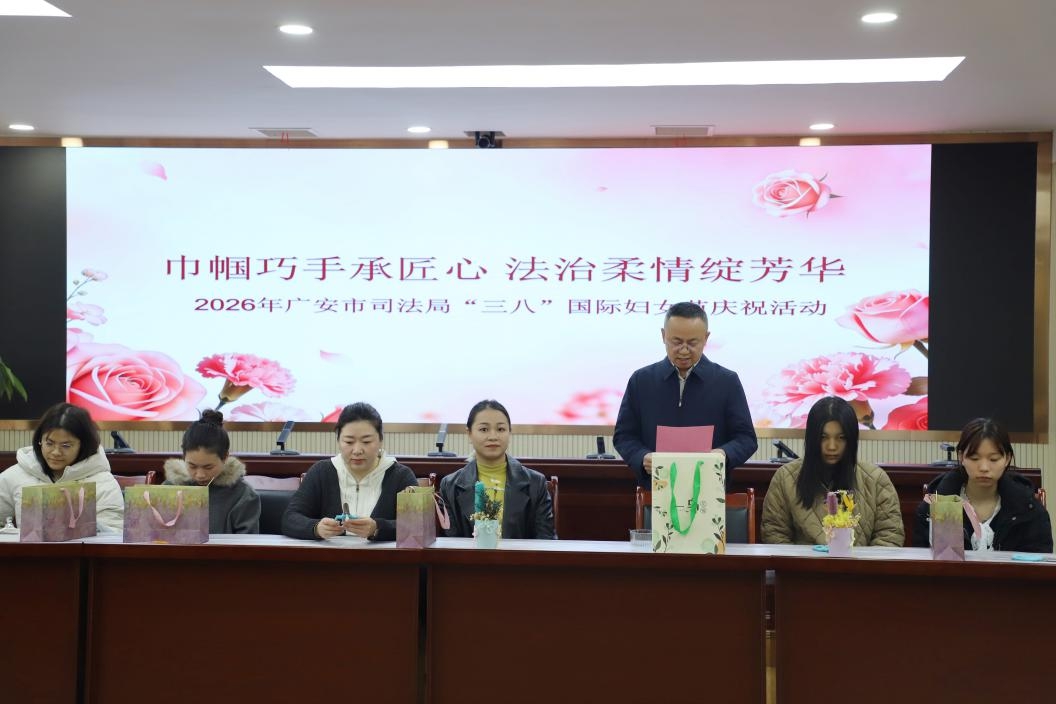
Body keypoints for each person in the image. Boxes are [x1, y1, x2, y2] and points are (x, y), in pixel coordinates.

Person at [614, 301, 757, 489]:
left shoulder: (726, 381)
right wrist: (642, 457)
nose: (683, 350)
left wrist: (723, 454)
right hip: (655, 490)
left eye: (692, 343)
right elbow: (624, 436)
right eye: (676, 342)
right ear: (663, 335)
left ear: (706, 338)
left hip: (709, 490)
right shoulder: (641, 380)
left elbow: (746, 439)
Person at [761, 396, 903, 546]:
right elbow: (774, 534)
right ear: (812, 439)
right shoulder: (785, 478)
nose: (832, 446)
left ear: (851, 439)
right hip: (803, 562)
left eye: (841, 437)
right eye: (823, 437)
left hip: (860, 561)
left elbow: (889, 538)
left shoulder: (876, 479)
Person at [913, 418, 1052, 553]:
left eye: (993, 459)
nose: (984, 467)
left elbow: (1039, 562)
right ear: (961, 457)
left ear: (1007, 458)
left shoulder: (1028, 508)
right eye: (974, 458)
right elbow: (921, 562)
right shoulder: (936, 503)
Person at [283, 402, 417, 541]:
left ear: (380, 440)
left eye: (366, 442)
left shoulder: (400, 476)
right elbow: (290, 518)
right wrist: (316, 528)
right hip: (330, 554)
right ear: (338, 440)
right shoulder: (321, 472)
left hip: (382, 555)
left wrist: (377, 528)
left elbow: (417, 525)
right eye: (349, 442)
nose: (357, 450)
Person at [439, 400, 554, 539]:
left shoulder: (536, 483)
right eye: (484, 429)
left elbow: (546, 541)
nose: (493, 437)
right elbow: (449, 543)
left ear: (509, 433)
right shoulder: (449, 486)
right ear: (469, 434)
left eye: (500, 429)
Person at [0, 402, 124, 532]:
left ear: (83, 445)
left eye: (66, 446)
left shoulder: (103, 482)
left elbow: (114, 533)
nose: (56, 452)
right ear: (40, 441)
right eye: (49, 443)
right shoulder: (16, 475)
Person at [162, 410, 260, 534]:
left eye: (208, 467)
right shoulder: (169, 488)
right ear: (184, 456)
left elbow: (247, 543)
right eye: (192, 466)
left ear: (225, 457)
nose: (200, 475)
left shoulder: (243, 495)